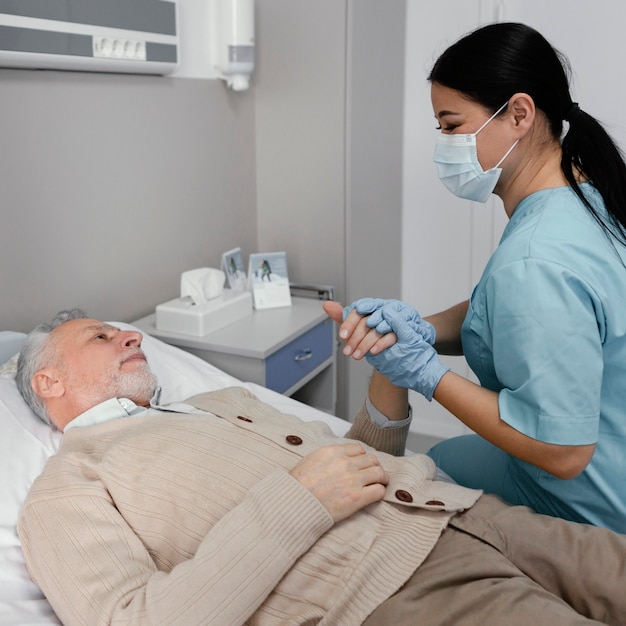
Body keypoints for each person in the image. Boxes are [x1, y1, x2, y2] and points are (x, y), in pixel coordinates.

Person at [14, 309, 626, 625]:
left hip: (470, 518)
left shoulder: (214, 405)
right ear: (50, 380)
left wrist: (389, 380)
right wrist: (297, 502)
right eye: (100, 337)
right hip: (395, 593)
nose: (130, 338)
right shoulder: (70, 486)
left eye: (124, 332)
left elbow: (358, 471)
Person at [327, 22, 626, 533]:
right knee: (442, 455)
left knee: (424, 475)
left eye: (450, 124)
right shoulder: (586, 199)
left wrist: (424, 372)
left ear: (518, 115)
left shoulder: (537, 258)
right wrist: (419, 326)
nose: (443, 143)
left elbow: (564, 452)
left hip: (588, 502)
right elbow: (507, 310)